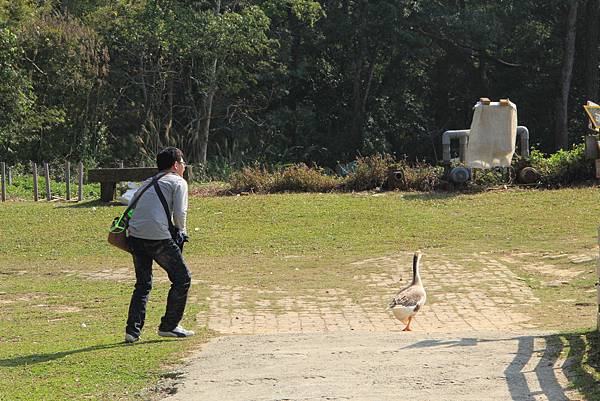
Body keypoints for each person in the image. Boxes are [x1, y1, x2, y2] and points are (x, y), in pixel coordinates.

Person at [124, 147, 193, 343]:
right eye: (182, 162)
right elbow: (180, 213)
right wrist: (181, 232)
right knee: (182, 279)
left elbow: (130, 208)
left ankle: (132, 331)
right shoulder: (178, 182)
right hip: (158, 237)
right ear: (176, 165)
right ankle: (169, 326)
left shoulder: (147, 182)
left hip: (135, 236)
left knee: (143, 284)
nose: (184, 166)